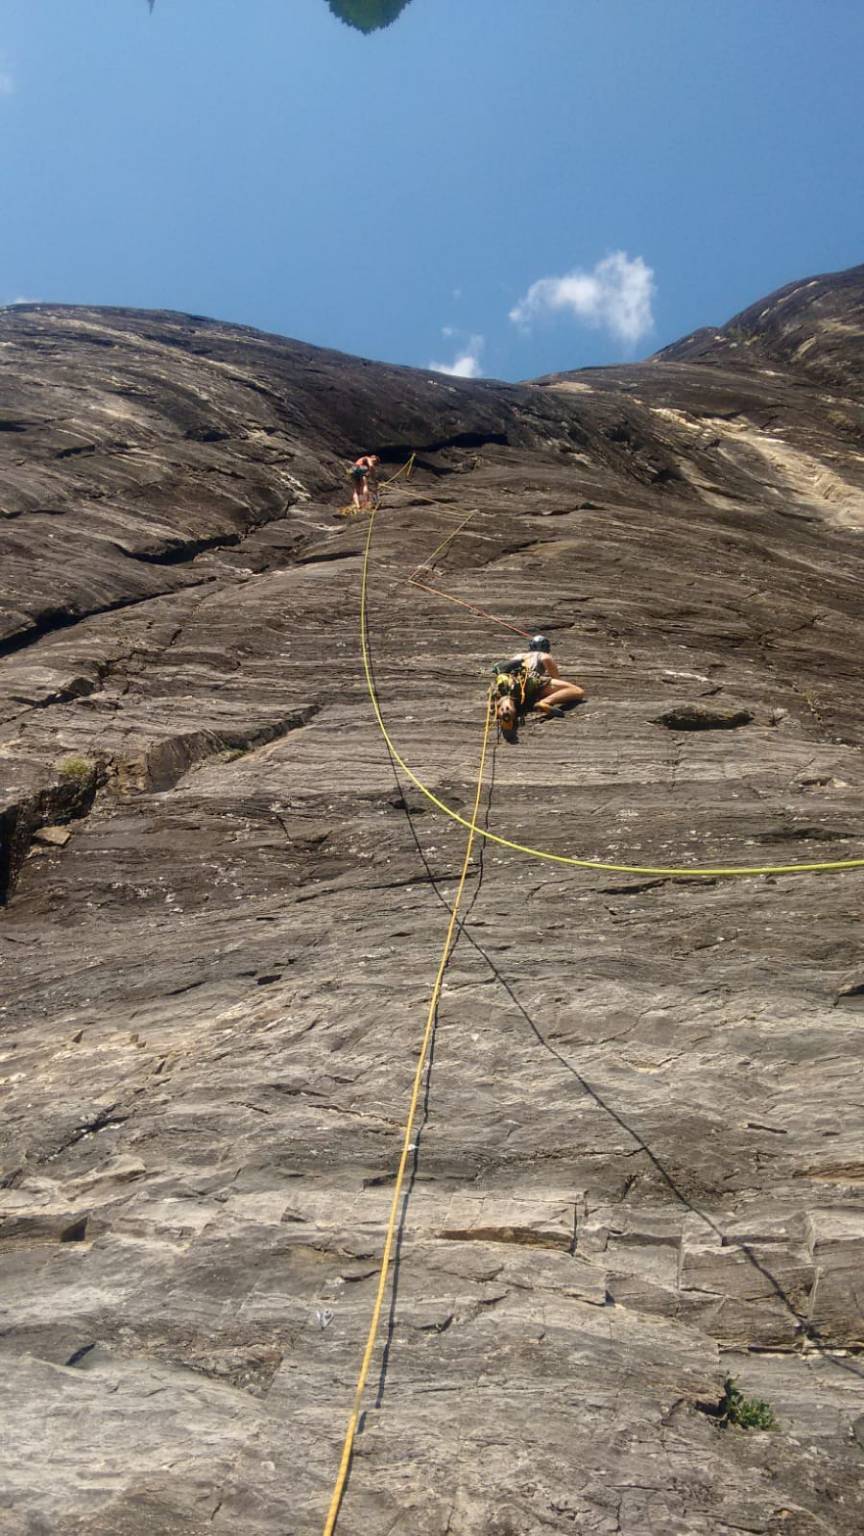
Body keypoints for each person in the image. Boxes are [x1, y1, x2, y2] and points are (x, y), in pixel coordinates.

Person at [493, 634, 585, 740]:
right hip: (531, 681)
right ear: (546, 647)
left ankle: (507, 712)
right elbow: (556, 678)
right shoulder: (544, 656)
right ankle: (545, 702)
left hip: (508, 681)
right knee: (577, 691)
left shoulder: (518, 656)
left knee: (508, 698)